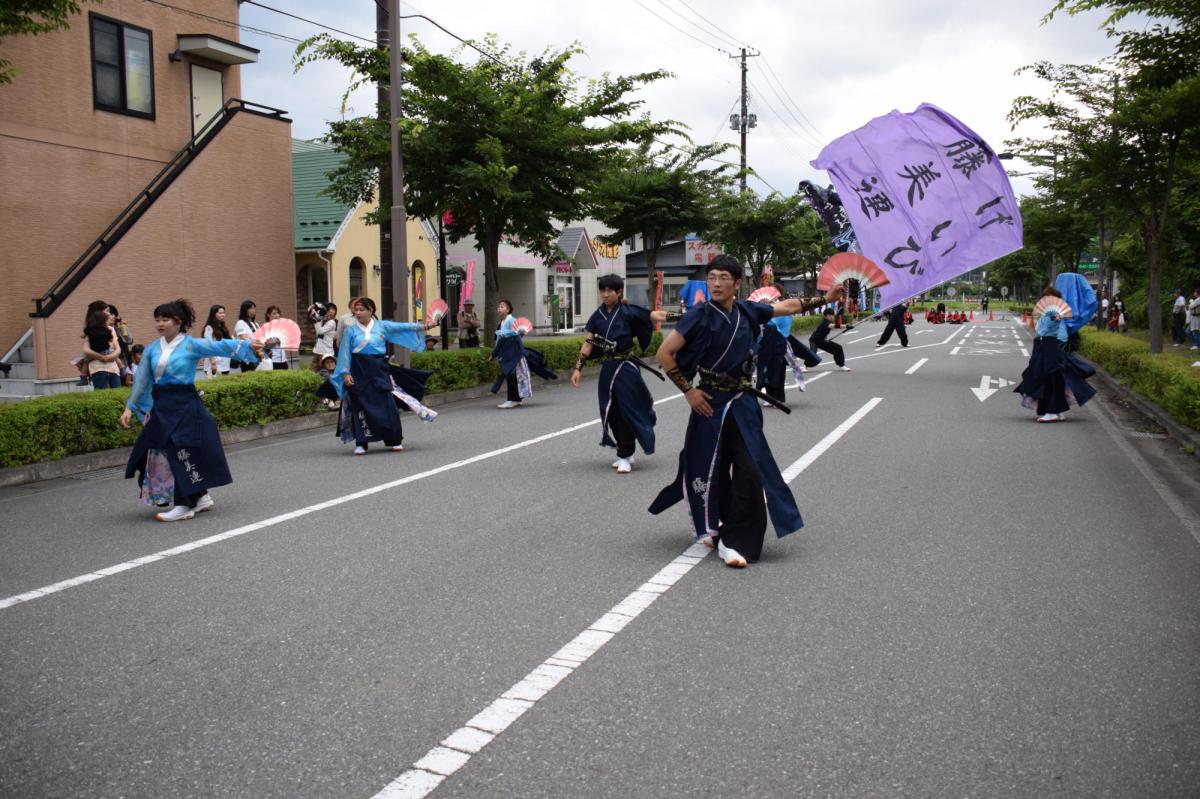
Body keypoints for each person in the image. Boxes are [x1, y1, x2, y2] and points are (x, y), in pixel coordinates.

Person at [650, 254, 845, 568]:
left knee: (750, 470)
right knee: (709, 469)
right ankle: (714, 525)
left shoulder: (748, 311)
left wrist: (826, 298)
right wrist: (688, 391)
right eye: (711, 276)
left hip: (742, 403)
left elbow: (789, 306)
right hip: (707, 403)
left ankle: (735, 539)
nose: (716, 282)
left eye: (723, 277)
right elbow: (665, 353)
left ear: (736, 283)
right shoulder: (698, 316)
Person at [120, 299, 263, 521]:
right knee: (165, 449)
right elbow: (141, 380)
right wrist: (130, 407)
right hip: (162, 405)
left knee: (181, 449)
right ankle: (201, 496)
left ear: (178, 322)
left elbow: (221, 346)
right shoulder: (151, 349)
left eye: (165, 319)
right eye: (157, 320)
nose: (160, 324)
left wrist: (248, 346)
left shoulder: (191, 344)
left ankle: (185, 504)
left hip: (185, 403)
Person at [570, 274, 674, 474]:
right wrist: (578, 368)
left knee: (628, 410)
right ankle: (623, 449)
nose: (605, 294)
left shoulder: (628, 311)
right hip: (608, 368)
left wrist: (684, 316)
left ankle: (625, 454)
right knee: (611, 411)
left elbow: (656, 315)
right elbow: (588, 342)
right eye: (603, 290)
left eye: (610, 290)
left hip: (626, 367)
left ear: (619, 292)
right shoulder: (597, 316)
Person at [330, 296, 433, 455]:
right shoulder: (351, 331)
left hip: (379, 369)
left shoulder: (382, 326)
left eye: (361, 310)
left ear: (370, 310)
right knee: (359, 405)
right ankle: (362, 443)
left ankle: (394, 439)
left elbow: (402, 327)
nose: (357, 313)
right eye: (356, 310)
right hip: (358, 370)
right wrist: (345, 373)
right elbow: (344, 353)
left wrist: (424, 326)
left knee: (387, 403)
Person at [1013, 286, 1096, 423]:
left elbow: (1061, 325)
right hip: (1043, 347)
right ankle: (1057, 410)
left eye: (1049, 297)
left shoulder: (1055, 312)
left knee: (1051, 378)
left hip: (1050, 347)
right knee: (1050, 378)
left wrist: (1057, 318)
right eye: (1045, 297)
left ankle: (1053, 411)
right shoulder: (1047, 312)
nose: (1046, 300)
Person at [756, 302, 821, 405]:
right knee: (766, 372)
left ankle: (779, 398)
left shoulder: (783, 310)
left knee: (778, 372)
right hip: (767, 345)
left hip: (779, 345)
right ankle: (769, 397)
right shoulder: (766, 309)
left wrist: (773, 323)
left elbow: (784, 330)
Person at [492, 300, 530, 409]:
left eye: (502, 306)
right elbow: (499, 339)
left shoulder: (511, 320)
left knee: (511, 376)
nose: (499, 308)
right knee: (512, 376)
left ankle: (511, 400)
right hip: (507, 354)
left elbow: (517, 335)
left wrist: (521, 333)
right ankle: (517, 399)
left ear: (508, 309)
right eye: (498, 306)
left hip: (514, 354)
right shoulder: (502, 323)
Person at [82, 308, 122, 389]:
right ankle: (122, 368)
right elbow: (116, 347)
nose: (110, 315)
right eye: (107, 312)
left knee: (86, 360)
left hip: (105, 367)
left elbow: (86, 347)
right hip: (103, 365)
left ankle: (83, 377)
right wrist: (106, 357)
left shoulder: (90, 330)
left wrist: (102, 357)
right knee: (116, 395)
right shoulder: (108, 330)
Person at [202, 304, 232, 377]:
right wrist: (213, 363)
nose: (223, 315)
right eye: (220, 313)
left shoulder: (222, 327)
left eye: (224, 313)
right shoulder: (209, 328)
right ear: (214, 314)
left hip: (224, 363)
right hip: (215, 364)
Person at [233, 299, 260, 372]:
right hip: (246, 356)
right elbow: (244, 339)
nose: (254, 310)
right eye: (251, 308)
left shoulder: (255, 323)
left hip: (257, 354)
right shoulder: (240, 323)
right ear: (245, 310)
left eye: (254, 308)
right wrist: (258, 348)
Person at [310, 302, 338, 371]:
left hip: (326, 352)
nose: (331, 311)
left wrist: (317, 319)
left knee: (326, 372)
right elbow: (318, 334)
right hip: (318, 350)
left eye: (333, 310)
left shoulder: (332, 322)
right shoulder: (322, 319)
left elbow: (320, 331)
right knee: (313, 371)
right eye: (329, 309)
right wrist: (315, 315)